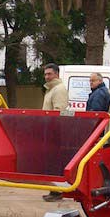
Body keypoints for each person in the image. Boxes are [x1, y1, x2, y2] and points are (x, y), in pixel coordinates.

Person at [41, 63, 69, 202]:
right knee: (50, 162)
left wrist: (52, 130)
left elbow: (59, 111)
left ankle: (58, 190)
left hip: (55, 131)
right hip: (50, 130)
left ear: (56, 74)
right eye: (45, 74)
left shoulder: (58, 89)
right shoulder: (51, 89)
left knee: (55, 162)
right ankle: (54, 189)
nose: (47, 77)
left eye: (49, 74)